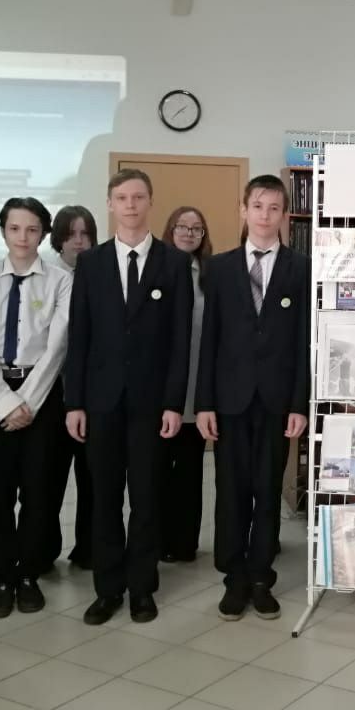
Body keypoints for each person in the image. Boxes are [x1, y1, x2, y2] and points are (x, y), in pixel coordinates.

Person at [65, 169, 194, 625]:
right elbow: (79, 337)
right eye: (122, 198)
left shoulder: (173, 263)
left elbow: (180, 341)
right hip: (100, 402)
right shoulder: (92, 263)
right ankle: (107, 588)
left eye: (139, 197)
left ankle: (142, 587)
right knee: (103, 499)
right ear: (110, 204)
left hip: (151, 405)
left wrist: (174, 403)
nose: (131, 205)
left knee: (146, 498)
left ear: (151, 202)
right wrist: (75, 402)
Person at [196, 175, 310, 622]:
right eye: (258, 206)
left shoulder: (300, 268)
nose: (265, 215)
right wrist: (204, 403)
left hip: (277, 401)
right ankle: (233, 577)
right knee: (231, 491)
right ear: (243, 210)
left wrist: (299, 403)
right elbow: (210, 340)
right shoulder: (220, 268)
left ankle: (261, 577)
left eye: (274, 207)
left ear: (284, 214)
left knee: (267, 489)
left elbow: (302, 343)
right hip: (229, 400)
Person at [0, 197, 72, 618]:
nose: (23, 237)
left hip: (41, 397)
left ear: (43, 233)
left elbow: (58, 346)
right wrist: (4, 402)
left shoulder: (60, 281)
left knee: (38, 492)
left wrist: (26, 402)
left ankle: (28, 575)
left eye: (31, 229)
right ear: (3, 231)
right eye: (14, 228)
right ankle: (2, 578)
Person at [45, 205, 98, 569]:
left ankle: (88, 548)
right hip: (51, 391)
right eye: (71, 234)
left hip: (91, 394)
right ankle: (45, 549)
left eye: (85, 234)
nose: (78, 242)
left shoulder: (100, 274)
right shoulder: (47, 276)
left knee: (92, 477)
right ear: (58, 238)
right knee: (50, 477)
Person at [159, 204, 212, 563]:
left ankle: (185, 543)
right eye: (182, 226)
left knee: (191, 472)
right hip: (162, 389)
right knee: (160, 470)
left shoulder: (210, 274)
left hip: (197, 387)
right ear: (170, 229)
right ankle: (159, 539)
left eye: (197, 228)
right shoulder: (157, 270)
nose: (189, 233)